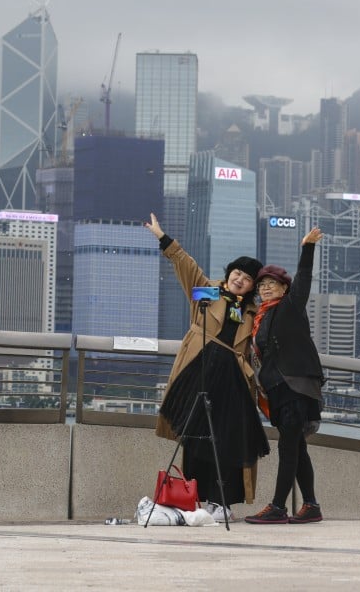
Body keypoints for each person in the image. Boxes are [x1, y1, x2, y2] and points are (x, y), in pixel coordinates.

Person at [145, 213, 270, 522]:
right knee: (195, 436)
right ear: (229, 273)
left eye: (247, 278)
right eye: (237, 273)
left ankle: (223, 500)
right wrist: (163, 238)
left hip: (234, 378)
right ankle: (196, 496)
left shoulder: (255, 312)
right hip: (199, 370)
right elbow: (186, 266)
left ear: (252, 286)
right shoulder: (208, 291)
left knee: (230, 440)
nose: (240, 279)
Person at [245, 227, 326, 525]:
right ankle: (311, 505)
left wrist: (307, 248)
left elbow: (303, 279)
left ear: (284, 288)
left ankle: (278, 506)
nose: (266, 288)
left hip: (296, 386)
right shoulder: (261, 317)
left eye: (273, 284)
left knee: (288, 446)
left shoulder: (290, 307)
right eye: (262, 284)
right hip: (278, 390)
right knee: (298, 447)